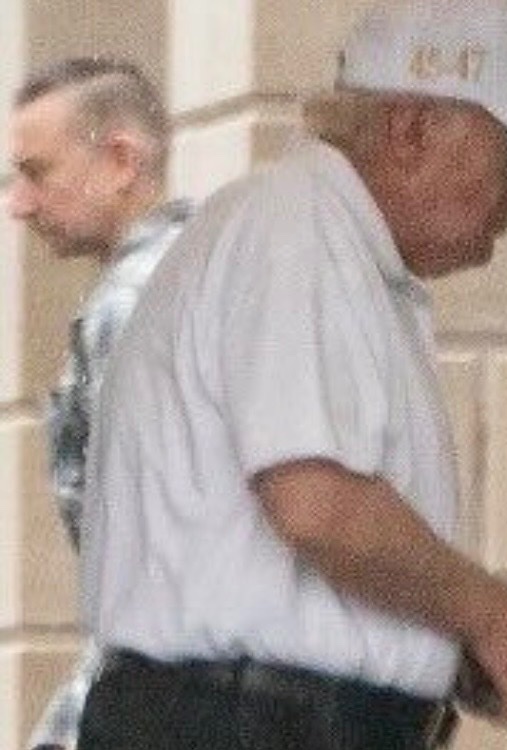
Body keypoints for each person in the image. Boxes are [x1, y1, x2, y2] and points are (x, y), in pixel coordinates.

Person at [75, 2, 507, 749]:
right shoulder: (296, 226)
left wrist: (468, 651)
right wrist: (492, 616)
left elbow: (309, 579)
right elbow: (317, 505)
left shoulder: (330, 248)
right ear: (412, 129)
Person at [7, 57, 192, 750]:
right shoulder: (205, 269)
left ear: (120, 161)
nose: (19, 204)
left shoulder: (132, 304)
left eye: (37, 172)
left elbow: (149, 558)